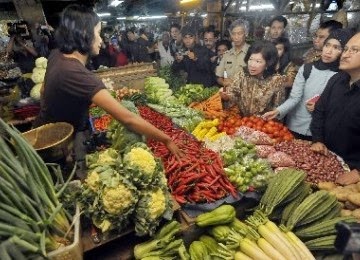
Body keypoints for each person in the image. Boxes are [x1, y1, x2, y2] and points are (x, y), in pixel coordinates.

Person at [33, 5, 183, 177]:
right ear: (84, 34)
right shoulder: (77, 73)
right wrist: (166, 139)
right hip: (54, 149)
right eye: (97, 33)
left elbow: (44, 91)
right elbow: (128, 118)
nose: (101, 40)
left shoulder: (57, 54)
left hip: (46, 135)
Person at [263, 29, 352, 140]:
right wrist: (278, 111)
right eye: (327, 45)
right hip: (295, 125)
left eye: (336, 48)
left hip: (321, 132)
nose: (328, 51)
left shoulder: (344, 76)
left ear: (343, 52)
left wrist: (322, 107)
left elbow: (342, 108)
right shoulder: (307, 69)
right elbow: (294, 98)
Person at [310, 31, 360, 171]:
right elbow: (320, 110)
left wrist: (358, 172)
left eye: (354, 50)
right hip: (325, 157)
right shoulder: (337, 80)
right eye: (346, 49)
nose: (345, 54)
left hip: (351, 169)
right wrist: (318, 140)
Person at [220, 40, 286, 116]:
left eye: (258, 61)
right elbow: (234, 94)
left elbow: (277, 109)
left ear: (268, 63)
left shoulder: (276, 80)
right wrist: (226, 96)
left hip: (263, 124)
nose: (252, 65)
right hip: (242, 121)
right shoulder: (242, 74)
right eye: (250, 59)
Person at [216, 19, 250, 88]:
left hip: (246, 96)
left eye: (239, 33)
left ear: (246, 34)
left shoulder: (252, 53)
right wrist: (224, 82)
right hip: (229, 96)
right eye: (233, 34)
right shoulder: (227, 55)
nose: (236, 37)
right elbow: (219, 76)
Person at [273, 36, 299, 102]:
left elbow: (290, 82)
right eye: (274, 48)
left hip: (283, 98)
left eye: (279, 49)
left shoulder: (290, 65)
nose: (276, 51)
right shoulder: (268, 62)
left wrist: (272, 85)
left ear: (285, 51)